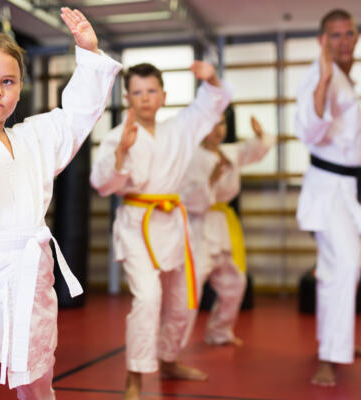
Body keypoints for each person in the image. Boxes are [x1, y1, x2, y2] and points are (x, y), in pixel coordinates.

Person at [0, 7, 121, 399]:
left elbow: (76, 117)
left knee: (37, 386)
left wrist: (88, 54)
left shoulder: (33, 139)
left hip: (30, 279)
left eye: (8, 81)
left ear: (20, 89)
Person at [90, 62, 231, 399]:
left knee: (181, 301)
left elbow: (212, 102)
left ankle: (168, 359)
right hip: (137, 224)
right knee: (148, 298)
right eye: (137, 92)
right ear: (127, 98)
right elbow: (101, 184)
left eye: (151, 91)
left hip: (173, 222)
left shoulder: (180, 128)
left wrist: (210, 77)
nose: (145, 98)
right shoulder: (117, 135)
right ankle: (135, 375)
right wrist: (122, 150)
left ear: (164, 96)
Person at [295, 8, 361, 387]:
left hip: (351, 188)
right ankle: (330, 356)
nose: (342, 41)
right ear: (322, 40)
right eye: (334, 35)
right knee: (346, 265)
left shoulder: (351, 78)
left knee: (338, 270)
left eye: (348, 34)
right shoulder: (318, 74)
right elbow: (309, 126)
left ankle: (332, 344)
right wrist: (321, 83)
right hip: (329, 187)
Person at [180, 114, 274, 347]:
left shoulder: (228, 152)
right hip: (198, 227)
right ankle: (173, 345)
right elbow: (185, 199)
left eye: (221, 123)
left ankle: (219, 332)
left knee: (235, 281)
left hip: (222, 224)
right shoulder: (189, 157)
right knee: (189, 289)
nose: (217, 129)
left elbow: (251, 150)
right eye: (211, 124)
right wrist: (209, 182)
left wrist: (260, 136)